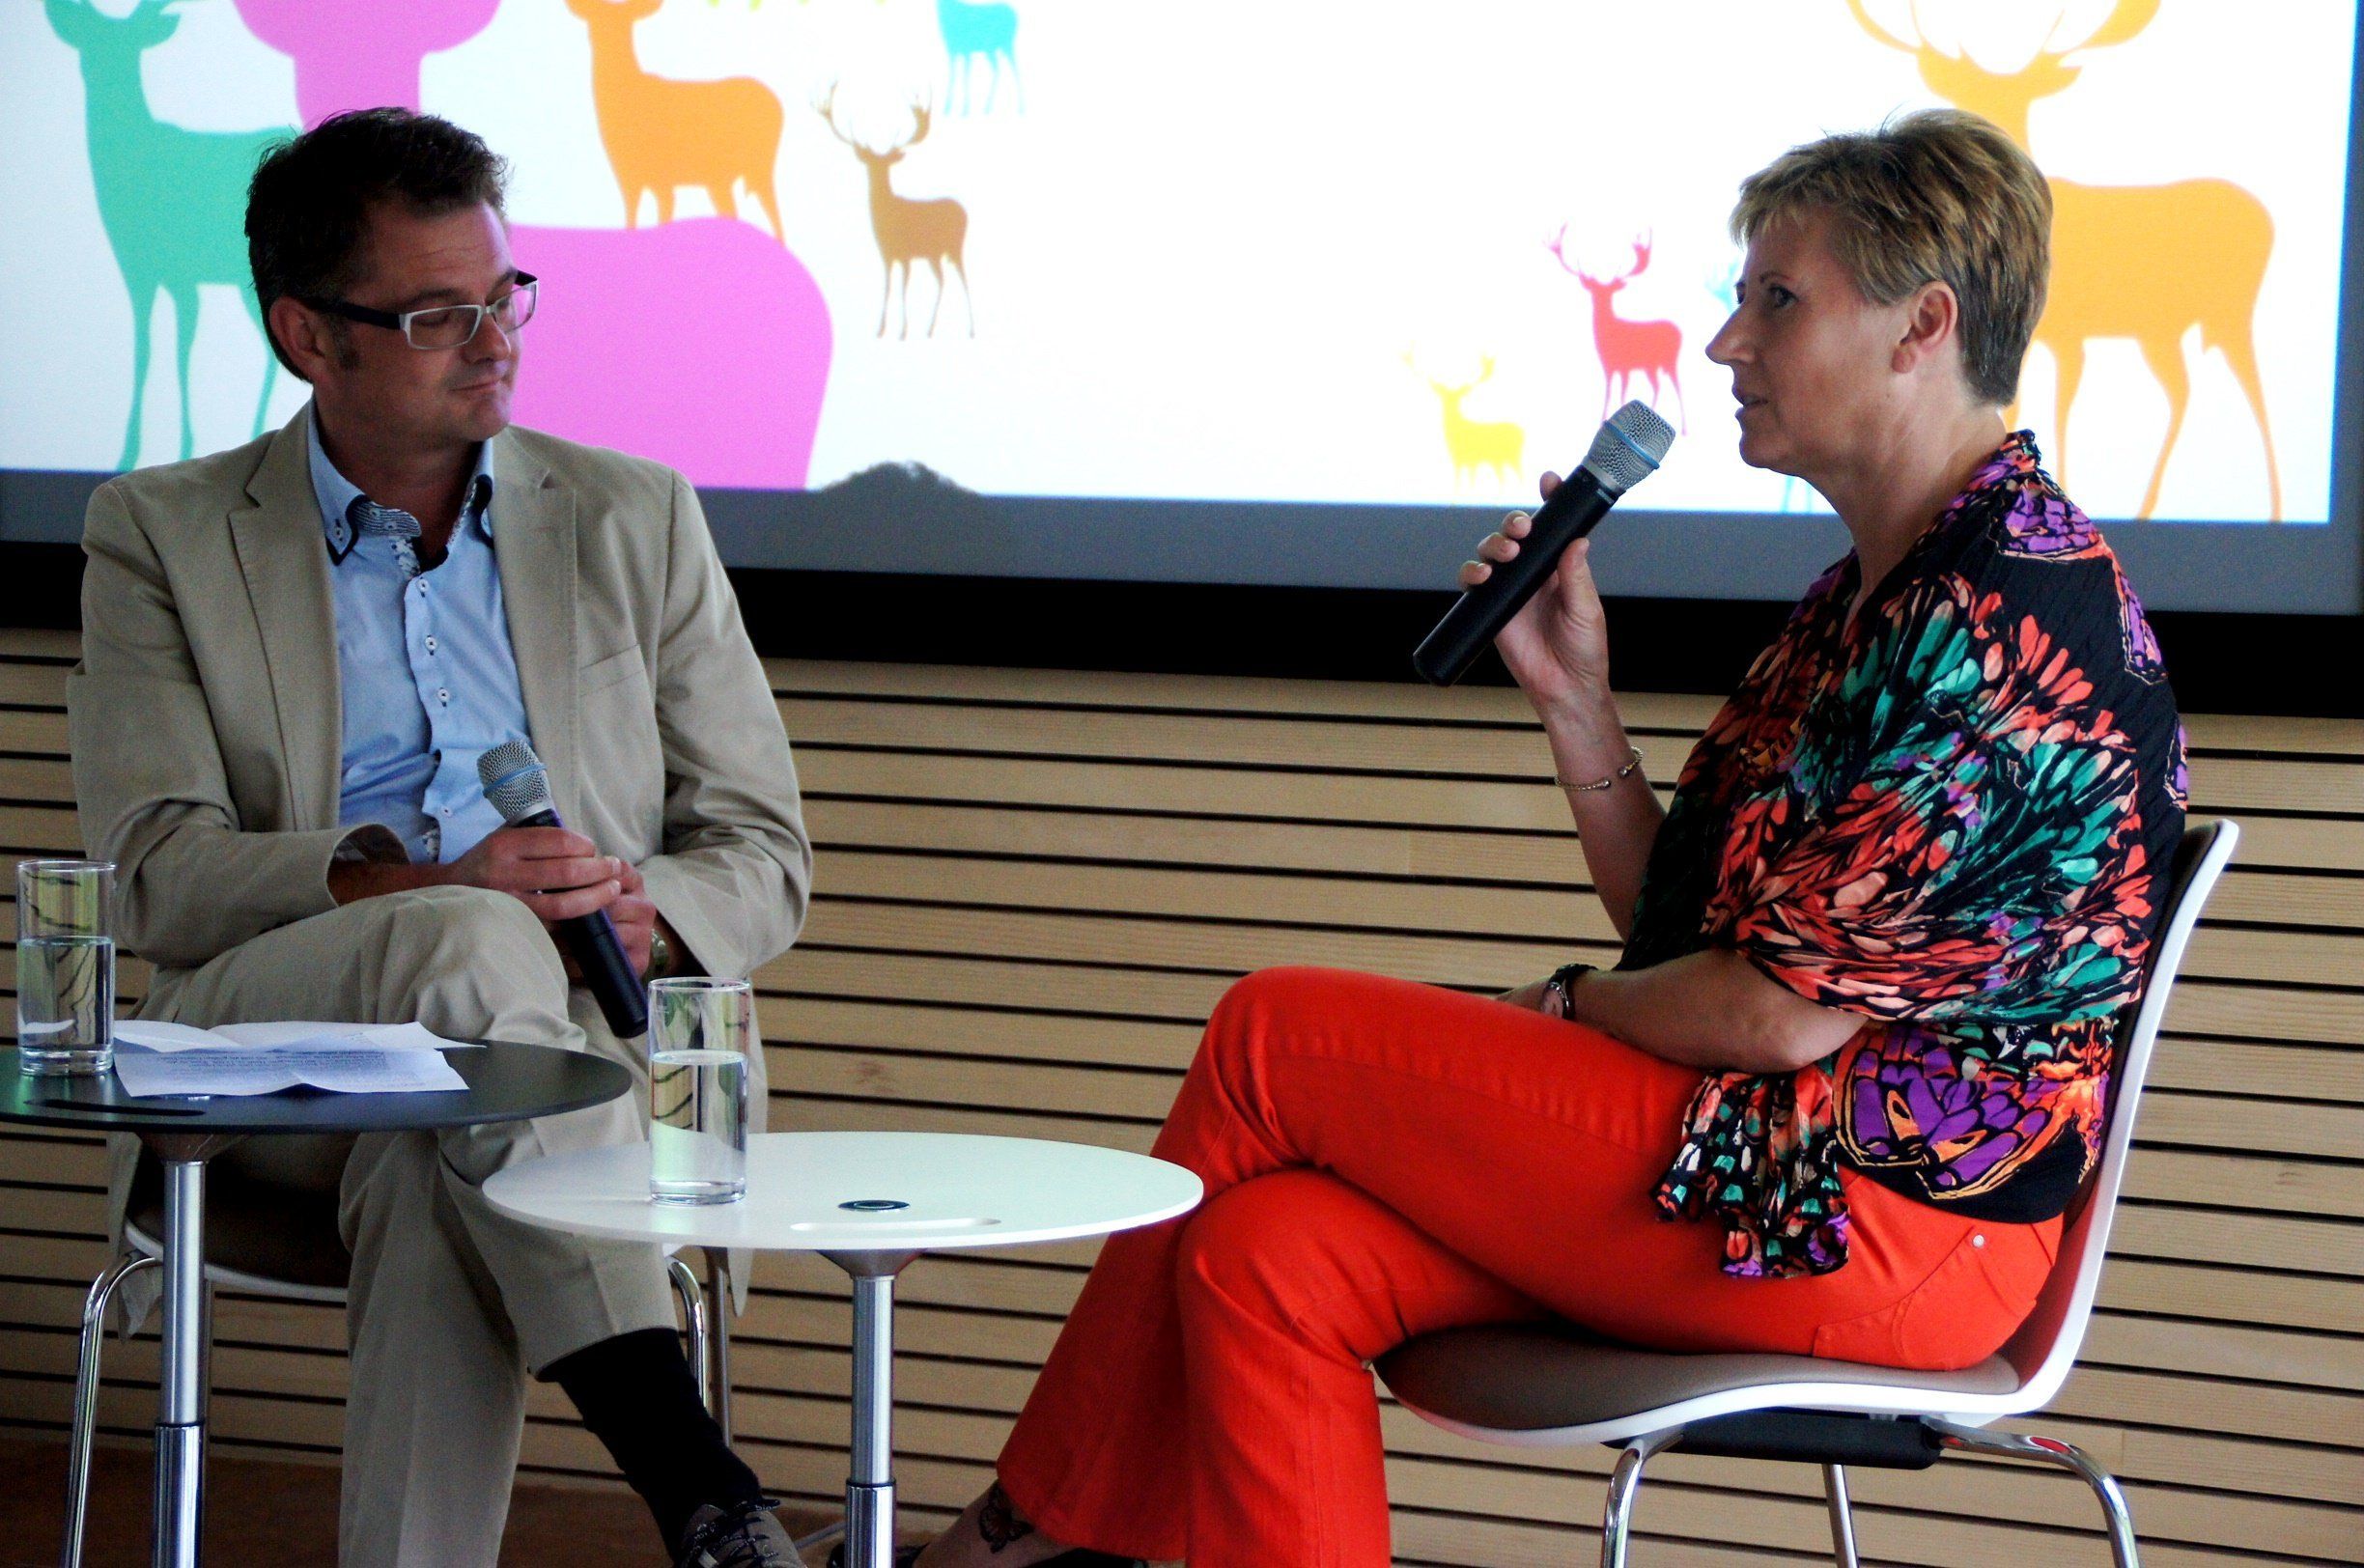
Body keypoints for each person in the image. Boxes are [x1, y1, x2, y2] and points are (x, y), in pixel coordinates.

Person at [895, 109, 2189, 1568]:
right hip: (1766, 1159)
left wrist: (1564, 1007)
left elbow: (1771, 1016)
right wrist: (1577, 704)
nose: (1725, 345)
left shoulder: (2009, 607)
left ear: (1922, 327)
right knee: (1271, 1256)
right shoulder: (1869, 593)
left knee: (1275, 1036)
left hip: (1881, 1218)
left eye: (1777, 300)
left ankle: (1026, 1538)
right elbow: (1692, 939)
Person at [67, 110, 811, 1568]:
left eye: (504, 297)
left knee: (435, 1154)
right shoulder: (160, 533)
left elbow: (762, 852)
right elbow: (152, 874)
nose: (494, 343)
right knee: (469, 939)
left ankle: (707, 1518)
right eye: (435, 317)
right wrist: (432, 888)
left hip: (558, 1060)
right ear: (308, 335)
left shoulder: (633, 516)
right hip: (269, 1062)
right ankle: (694, 1478)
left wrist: (638, 910)